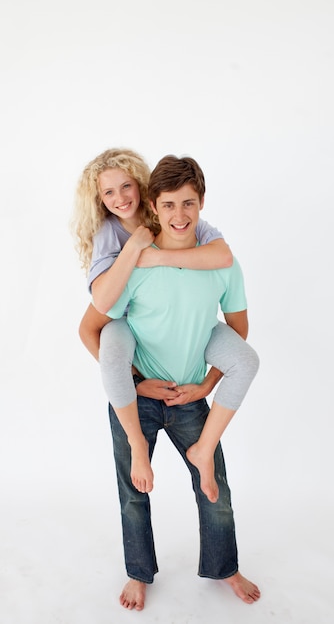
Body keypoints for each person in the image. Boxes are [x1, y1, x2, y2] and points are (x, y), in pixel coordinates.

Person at [83, 154, 261, 610]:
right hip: (136, 396)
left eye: (189, 204)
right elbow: (98, 328)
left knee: (213, 487)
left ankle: (225, 567)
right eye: (169, 206)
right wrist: (135, 381)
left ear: (202, 205)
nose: (179, 216)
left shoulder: (220, 261)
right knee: (132, 493)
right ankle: (139, 574)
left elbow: (237, 331)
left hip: (187, 394)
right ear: (154, 209)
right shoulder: (132, 263)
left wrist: (206, 385)